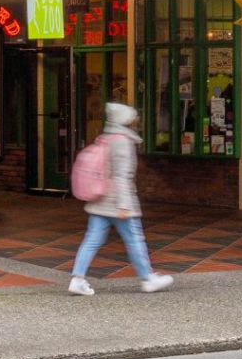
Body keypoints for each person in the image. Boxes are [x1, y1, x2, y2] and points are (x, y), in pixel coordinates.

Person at [68, 102, 174, 296]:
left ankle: (77, 279)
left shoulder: (105, 138)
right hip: (118, 202)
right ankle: (148, 279)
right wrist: (124, 205)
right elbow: (121, 176)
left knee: (91, 240)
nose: (134, 122)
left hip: (99, 200)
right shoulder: (123, 142)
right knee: (135, 239)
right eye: (131, 119)